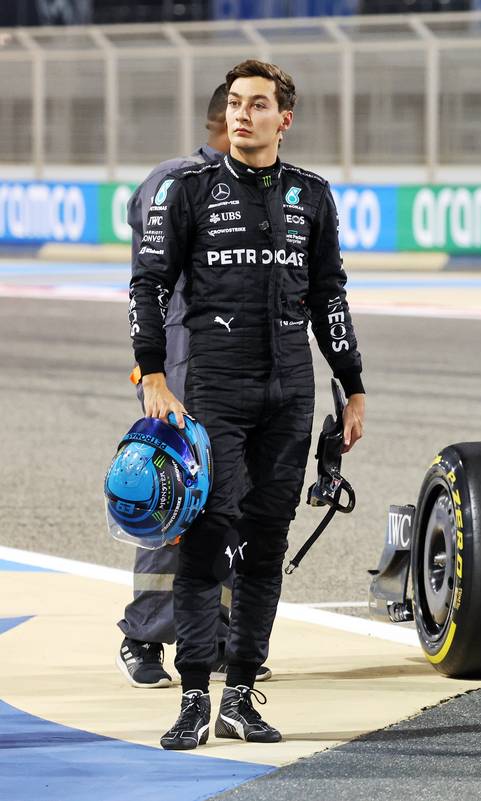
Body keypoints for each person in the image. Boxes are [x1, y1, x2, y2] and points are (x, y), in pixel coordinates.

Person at [129, 59, 365, 750]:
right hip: (213, 393)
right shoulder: (188, 190)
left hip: (289, 395)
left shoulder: (312, 196)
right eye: (235, 103)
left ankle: (240, 694)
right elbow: (147, 285)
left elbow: (331, 298)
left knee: (265, 547)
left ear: (283, 119)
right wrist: (151, 372)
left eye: (258, 105)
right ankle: (193, 696)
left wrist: (352, 385)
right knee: (207, 541)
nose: (242, 115)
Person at [117, 83, 275, 690]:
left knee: (235, 502)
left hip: (237, 367)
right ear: (225, 123)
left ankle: (216, 638)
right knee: (172, 495)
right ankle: (145, 634)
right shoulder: (175, 182)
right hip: (180, 363)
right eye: (244, 113)